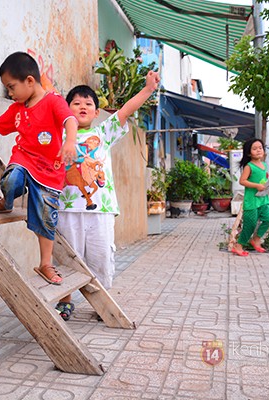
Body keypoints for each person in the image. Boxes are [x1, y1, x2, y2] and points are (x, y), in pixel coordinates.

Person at [0, 52, 78, 285]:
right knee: (11, 180)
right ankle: (7, 202)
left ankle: (45, 264)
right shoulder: (17, 110)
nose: (10, 94)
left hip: (50, 171)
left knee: (46, 219)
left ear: (29, 81)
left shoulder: (53, 101)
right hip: (24, 159)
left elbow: (69, 120)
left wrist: (70, 141)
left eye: (11, 87)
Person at [53, 70, 161, 320]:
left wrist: (147, 89)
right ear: (67, 110)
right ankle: (65, 302)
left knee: (101, 257)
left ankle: (102, 304)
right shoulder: (59, 137)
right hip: (66, 209)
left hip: (100, 210)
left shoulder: (102, 134)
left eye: (88, 104)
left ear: (95, 112)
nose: (82, 107)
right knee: (68, 259)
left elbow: (124, 111)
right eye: (76, 103)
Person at [231, 138, 269, 256]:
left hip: (263, 198)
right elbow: (242, 181)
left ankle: (256, 239)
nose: (258, 150)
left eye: (260, 148)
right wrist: (257, 186)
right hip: (251, 200)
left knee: (268, 219)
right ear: (249, 153)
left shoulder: (264, 165)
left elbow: (263, 181)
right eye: (255, 149)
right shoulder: (249, 166)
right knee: (250, 224)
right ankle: (238, 245)